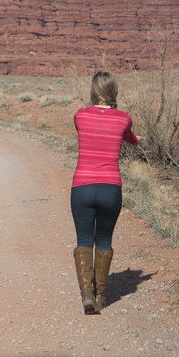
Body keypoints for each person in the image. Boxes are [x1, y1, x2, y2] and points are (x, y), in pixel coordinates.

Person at [70, 71, 140, 314]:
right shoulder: (123, 119)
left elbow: (91, 127)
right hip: (111, 188)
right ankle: (101, 297)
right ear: (113, 91)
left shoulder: (80, 116)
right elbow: (130, 138)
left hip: (82, 187)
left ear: (93, 91)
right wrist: (136, 139)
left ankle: (86, 295)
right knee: (104, 241)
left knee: (84, 240)